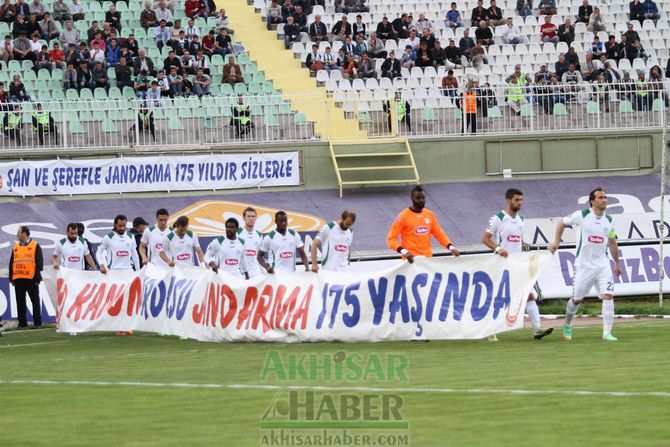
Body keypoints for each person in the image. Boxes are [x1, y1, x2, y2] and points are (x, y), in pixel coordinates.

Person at [548, 188, 620, 341]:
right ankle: (567, 324)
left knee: (608, 295)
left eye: (605, 197)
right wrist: (556, 243)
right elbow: (561, 222)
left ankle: (607, 333)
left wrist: (617, 263)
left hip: (603, 265)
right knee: (576, 300)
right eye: (601, 197)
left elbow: (612, 242)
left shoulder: (610, 220)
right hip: (584, 265)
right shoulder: (582, 215)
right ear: (593, 201)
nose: (604, 200)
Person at [482, 189, 553, 341]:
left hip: (517, 264)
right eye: (516, 200)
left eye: (521, 200)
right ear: (508, 201)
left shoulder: (521, 219)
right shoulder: (498, 217)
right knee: (498, 297)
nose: (519, 203)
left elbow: (518, 243)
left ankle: (537, 329)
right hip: (501, 264)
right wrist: (499, 249)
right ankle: (488, 331)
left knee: (528, 295)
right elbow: (486, 238)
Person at [387, 185, 459, 263]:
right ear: (412, 198)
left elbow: (439, 234)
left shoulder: (429, 214)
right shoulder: (402, 217)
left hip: (427, 260)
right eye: (418, 198)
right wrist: (404, 252)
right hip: (411, 261)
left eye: (423, 198)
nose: (421, 200)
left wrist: (451, 247)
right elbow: (391, 240)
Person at [9, 226, 43, 329]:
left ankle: (37, 323)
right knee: (20, 301)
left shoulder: (35, 245)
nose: (17, 235)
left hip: (31, 279)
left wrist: (37, 278)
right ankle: (22, 323)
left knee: (35, 301)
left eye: (18, 233)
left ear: (24, 233)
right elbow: (12, 263)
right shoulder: (15, 246)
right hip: (19, 278)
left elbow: (39, 263)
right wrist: (11, 277)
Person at [236, 207, 263, 278]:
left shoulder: (259, 235)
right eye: (248, 216)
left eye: (253, 216)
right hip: (240, 272)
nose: (251, 218)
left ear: (256, 218)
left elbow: (259, 256)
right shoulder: (237, 233)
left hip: (256, 272)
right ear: (243, 218)